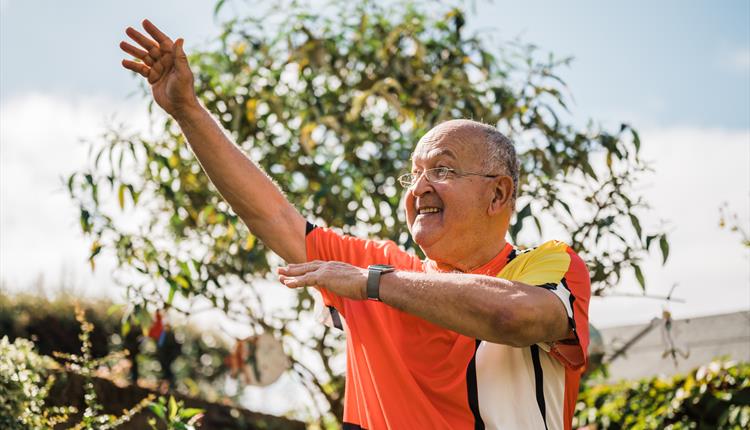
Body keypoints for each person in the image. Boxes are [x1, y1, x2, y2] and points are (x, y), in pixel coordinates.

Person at [120, 20, 591, 430]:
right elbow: (273, 215)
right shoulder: (378, 267)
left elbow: (514, 316)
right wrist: (187, 110)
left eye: (443, 170)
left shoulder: (548, 266)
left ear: (499, 194)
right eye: (415, 173)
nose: (420, 187)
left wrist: (370, 284)